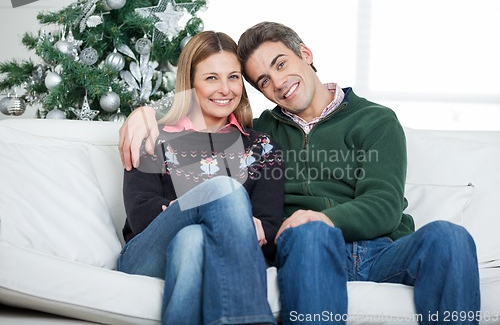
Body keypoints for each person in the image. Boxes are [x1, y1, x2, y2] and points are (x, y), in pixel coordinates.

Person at [119, 22, 480, 325]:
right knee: (303, 233)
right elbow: (198, 119)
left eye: (280, 64)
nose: (277, 82)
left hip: (379, 252)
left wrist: (319, 216)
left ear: (305, 54)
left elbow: (384, 204)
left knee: (450, 236)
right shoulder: (263, 131)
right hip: (306, 246)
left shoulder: (374, 121)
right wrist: (143, 112)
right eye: (262, 80)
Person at [117, 31, 284, 325]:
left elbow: (270, 231)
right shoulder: (154, 137)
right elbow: (142, 215)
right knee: (222, 189)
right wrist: (216, 210)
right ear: (190, 83)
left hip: (195, 249)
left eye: (233, 77)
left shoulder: (263, 147)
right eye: (211, 78)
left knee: (192, 239)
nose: (225, 89)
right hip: (146, 255)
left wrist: (250, 226)